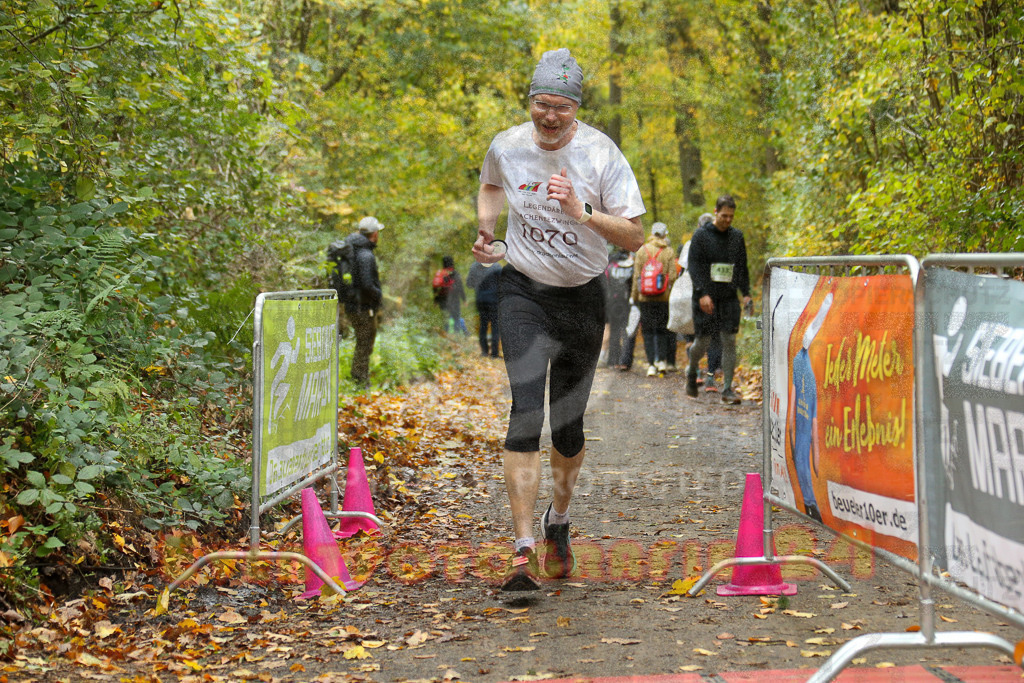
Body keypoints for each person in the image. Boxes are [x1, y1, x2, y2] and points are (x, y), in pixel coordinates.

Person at [472, 48, 645, 591]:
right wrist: (486, 229)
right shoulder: (507, 144)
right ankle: (522, 548)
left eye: (562, 109)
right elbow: (491, 184)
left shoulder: (601, 154)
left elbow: (635, 235)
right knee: (525, 414)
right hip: (522, 288)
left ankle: (559, 521)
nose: (549, 117)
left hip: (581, 297)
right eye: (541, 105)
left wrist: (581, 212)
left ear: (576, 109)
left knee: (567, 427)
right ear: (530, 101)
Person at [685, 195, 751, 404]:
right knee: (702, 342)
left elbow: (742, 267)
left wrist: (746, 292)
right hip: (705, 298)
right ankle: (692, 369)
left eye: (731, 216)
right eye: (724, 215)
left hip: (729, 298)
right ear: (715, 212)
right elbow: (693, 267)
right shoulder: (701, 236)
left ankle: (727, 389)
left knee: (729, 341)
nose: (728, 220)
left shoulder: (736, 237)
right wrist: (702, 293)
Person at [681, 214, 722, 390]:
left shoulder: (690, 244)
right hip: (715, 296)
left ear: (698, 225)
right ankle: (711, 378)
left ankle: (696, 372)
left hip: (693, 296)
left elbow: (682, 270)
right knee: (714, 338)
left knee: (693, 336)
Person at [631, 222, 677, 377]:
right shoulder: (669, 251)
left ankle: (651, 364)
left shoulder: (642, 251)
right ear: (664, 234)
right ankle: (662, 361)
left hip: (645, 297)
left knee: (648, 331)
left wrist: (634, 297)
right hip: (663, 298)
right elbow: (673, 276)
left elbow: (636, 276)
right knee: (662, 329)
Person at [345, 216, 384, 389]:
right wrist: (379, 294)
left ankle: (358, 378)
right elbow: (367, 284)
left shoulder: (353, 250)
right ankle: (360, 381)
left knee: (362, 342)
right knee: (365, 343)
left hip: (353, 304)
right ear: (374, 234)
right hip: (362, 306)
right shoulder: (366, 255)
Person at [603, 249, 634, 369]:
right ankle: (625, 361)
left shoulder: (610, 266)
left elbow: (605, 284)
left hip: (612, 302)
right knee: (627, 330)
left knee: (614, 331)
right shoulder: (631, 266)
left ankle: (612, 360)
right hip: (627, 301)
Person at [467, 260, 501, 357]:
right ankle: (494, 354)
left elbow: (469, 284)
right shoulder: (496, 266)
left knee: (483, 325)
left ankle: (484, 352)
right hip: (494, 301)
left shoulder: (474, 266)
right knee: (495, 326)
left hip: (480, 300)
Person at [434, 255, 467, 334]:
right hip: (454, 299)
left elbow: (436, 289)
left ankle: (446, 336)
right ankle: (456, 336)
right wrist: (464, 299)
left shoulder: (440, 274)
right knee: (456, 318)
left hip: (443, 300)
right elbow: (460, 287)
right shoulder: (455, 273)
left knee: (446, 318)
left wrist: (436, 300)